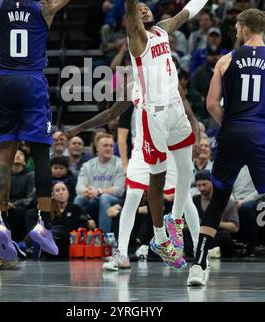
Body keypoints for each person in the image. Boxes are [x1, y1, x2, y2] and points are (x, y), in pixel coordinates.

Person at [111, 0, 225, 268]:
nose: (145, 9)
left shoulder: (161, 30)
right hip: (153, 116)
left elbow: (188, 11)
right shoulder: (137, 38)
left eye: (148, 7)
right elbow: (131, 0)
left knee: (186, 169)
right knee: (157, 179)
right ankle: (160, 238)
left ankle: (173, 224)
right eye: (140, 10)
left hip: (175, 108)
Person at [0, 0, 99, 263]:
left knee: (4, 157)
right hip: (32, 82)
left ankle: (0, 223)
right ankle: (42, 223)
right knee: (41, 155)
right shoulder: (45, 7)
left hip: (5, 80)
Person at [65, 83, 201, 271]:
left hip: (170, 150)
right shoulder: (132, 87)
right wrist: (78, 128)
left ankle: (199, 253)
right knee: (132, 197)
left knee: (185, 199)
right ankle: (121, 252)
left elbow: (190, 116)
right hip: (142, 149)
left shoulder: (171, 82)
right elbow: (110, 114)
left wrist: (197, 140)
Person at [188, 8, 265, 286]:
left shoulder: (225, 60)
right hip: (260, 133)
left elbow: (210, 105)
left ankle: (197, 265)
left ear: (244, 29)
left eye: (236, 28)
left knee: (218, 199)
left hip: (232, 131)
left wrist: (229, 125)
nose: (235, 32)